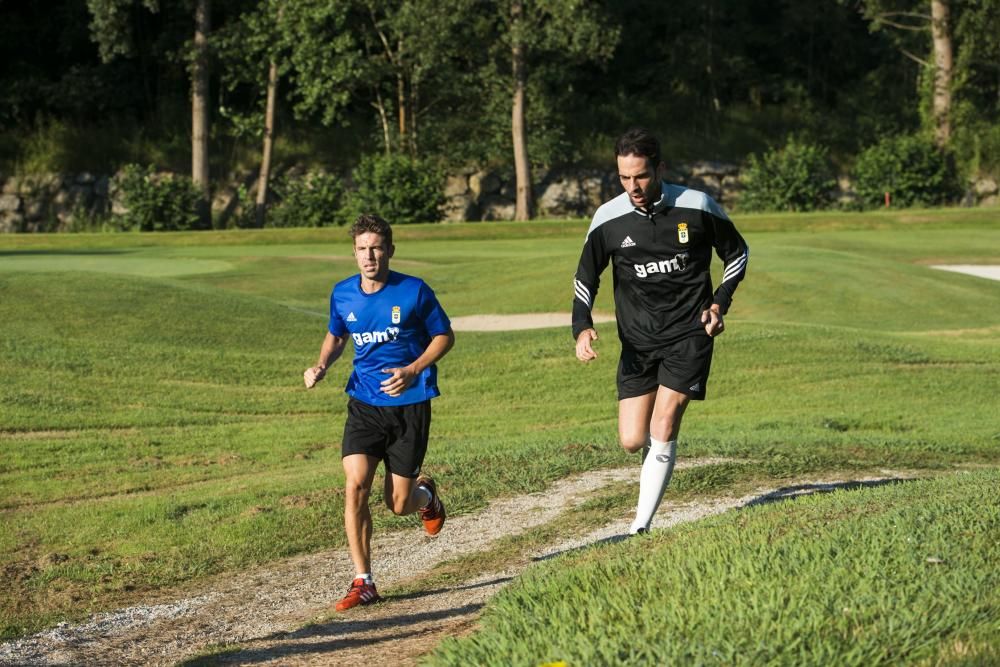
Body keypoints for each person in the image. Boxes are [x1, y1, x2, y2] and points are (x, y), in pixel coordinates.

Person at [572, 127, 749, 535]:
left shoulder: (697, 206)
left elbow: (737, 253)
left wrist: (720, 300)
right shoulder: (608, 218)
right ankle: (656, 458)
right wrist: (581, 327)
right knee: (633, 440)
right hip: (637, 342)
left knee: (663, 424)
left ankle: (640, 526)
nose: (633, 186)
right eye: (624, 177)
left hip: (690, 333)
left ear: (660, 168)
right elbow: (585, 277)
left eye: (641, 176)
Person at [304, 213, 455, 611]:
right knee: (355, 485)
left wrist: (412, 371)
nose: (369, 256)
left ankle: (426, 496)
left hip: (410, 405)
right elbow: (337, 335)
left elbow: (444, 335)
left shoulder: (414, 291)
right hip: (365, 403)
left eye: (376, 248)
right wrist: (322, 364)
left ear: (389, 250)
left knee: (398, 504)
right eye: (361, 249)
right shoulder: (342, 294)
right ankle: (364, 580)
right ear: (354, 253)